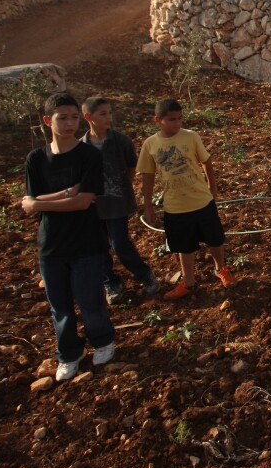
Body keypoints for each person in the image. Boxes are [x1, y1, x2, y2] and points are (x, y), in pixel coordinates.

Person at [22, 92, 116, 381]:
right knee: (60, 306)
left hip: (86, 241)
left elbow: (84, 200)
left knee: (90, 301)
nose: (70, 123)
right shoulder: (36, 159)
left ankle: (102, 341)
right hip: (51, 244)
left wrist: (42, 203)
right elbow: (28, 202)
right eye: (62, 118)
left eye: (74, 117)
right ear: (47, 121)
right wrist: (65, 193)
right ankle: (69, 353)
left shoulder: (89, 155)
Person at [137, 98, 236, 300]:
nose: (178, 123)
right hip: (175, 207)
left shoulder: (191, 137)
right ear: (158, 120)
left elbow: (206, 161)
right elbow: (148, 176)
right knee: (184, 246)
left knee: (215, 240)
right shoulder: (151, 145)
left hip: (202, 201)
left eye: (180, 118)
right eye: (172, 119)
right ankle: (189, 282)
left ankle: (220, 269)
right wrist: (147, 206)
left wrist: (212, 187)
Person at [81, 97, 160, 303]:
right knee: (99, 246)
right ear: (88, 117)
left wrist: (123, 187)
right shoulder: (81, 147)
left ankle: (144, 274)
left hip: (117, 203)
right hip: (91, 206)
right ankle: (110, 282)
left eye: (109, 113)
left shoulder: (121, 141)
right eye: (103, 114)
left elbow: (131, 167)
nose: (108, 117)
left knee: (120, 243)